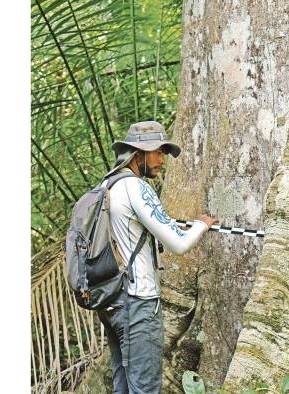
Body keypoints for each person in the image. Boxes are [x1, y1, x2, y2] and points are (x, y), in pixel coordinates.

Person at [97, 121, 218, 394]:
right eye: (158, 152)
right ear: (138, 154)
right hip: (138, 303)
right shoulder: (136, 188)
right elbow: (178, 244)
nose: (162, 159)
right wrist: (201, 224)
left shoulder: (108, 184)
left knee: (123, 385)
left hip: (112, 302)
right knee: (145, 388)